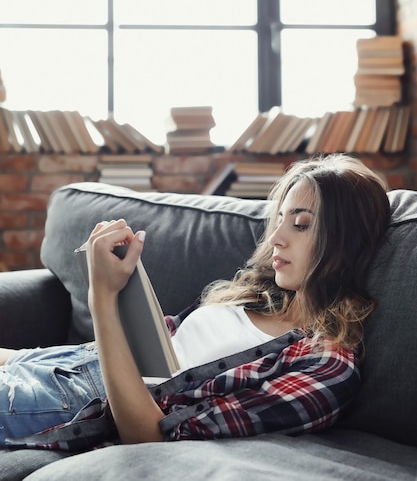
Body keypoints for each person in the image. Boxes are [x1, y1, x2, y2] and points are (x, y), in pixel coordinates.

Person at [0, 154, 391, 449]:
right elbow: (143, 350)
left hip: (76, 401)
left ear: (345, 243)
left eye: (301, 224)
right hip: (72, 364)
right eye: (281, 219)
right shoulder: (255, 298)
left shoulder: (326, 366)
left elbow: (149, 435)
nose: (276, 238)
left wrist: (102, 295)